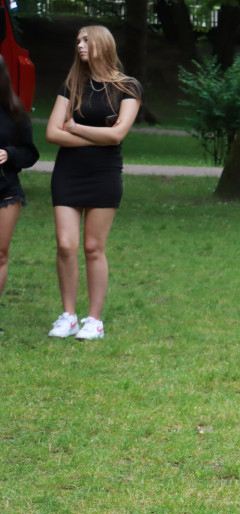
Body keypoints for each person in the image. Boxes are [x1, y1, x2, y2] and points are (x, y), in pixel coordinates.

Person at [45, 25, 141, 340]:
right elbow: (52, 133)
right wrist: (95, 136)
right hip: (68, 173)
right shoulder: (72, 84)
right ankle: (68, 315)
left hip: (104, 174)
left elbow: (117, 135)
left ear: (102, 43)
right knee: (65, 244)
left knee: (93, 247)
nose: (80, 45)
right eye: (78, 41)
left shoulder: (127, 87)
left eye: (86, 40)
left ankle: (93, 320)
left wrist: (74, 126)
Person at [0, 55, 39, 333]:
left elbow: (30, 153)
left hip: (6, 192)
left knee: (0, 255)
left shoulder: (14, 111)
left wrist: (8, 154)